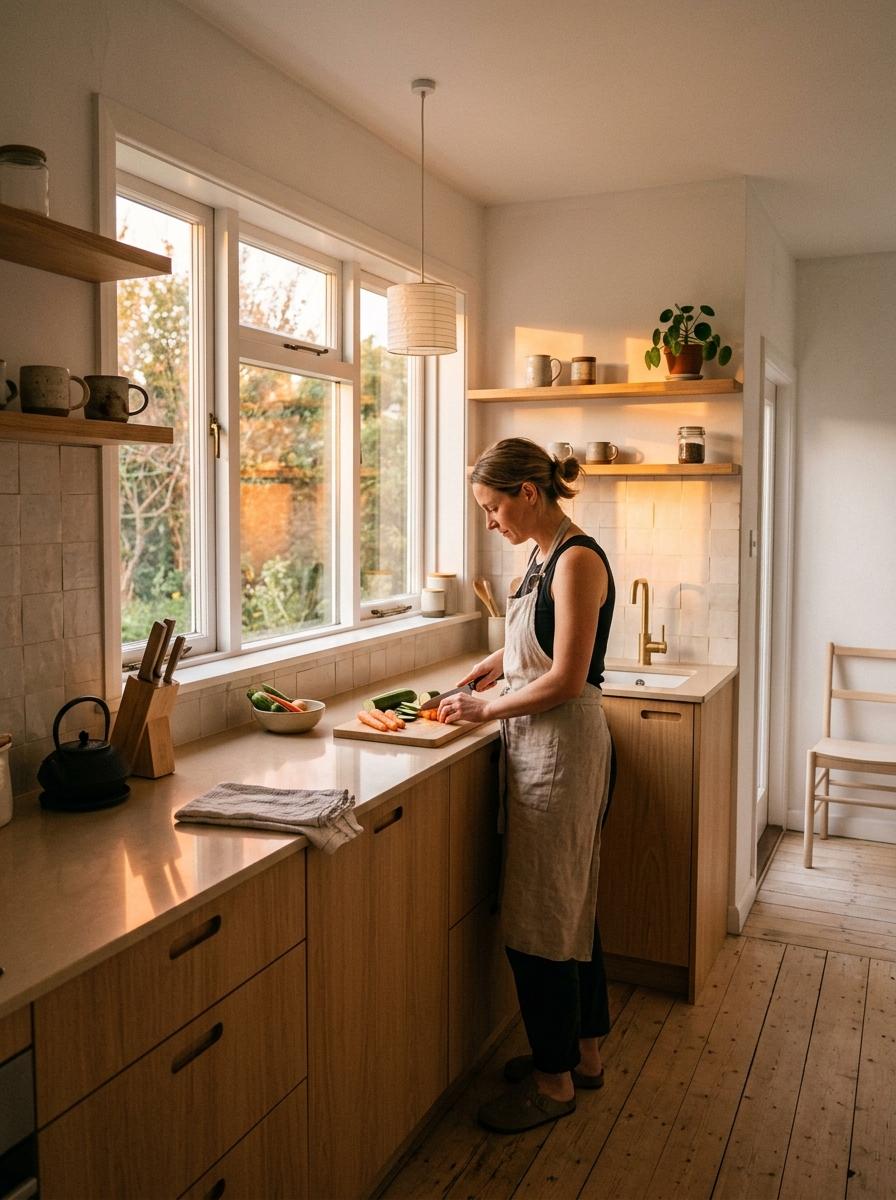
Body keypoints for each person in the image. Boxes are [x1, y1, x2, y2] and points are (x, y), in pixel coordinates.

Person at [436, 436, 616, 1134]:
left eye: (492, 507)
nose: (490, 522)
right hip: (544, 747)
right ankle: (584, 1056)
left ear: (528, 493)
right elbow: (534, 645)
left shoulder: (577, 560)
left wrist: (486, 706)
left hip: (563, 753)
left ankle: (553, 1081)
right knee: (571, 909)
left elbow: (568, 677)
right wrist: (492, 665)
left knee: (542, 921)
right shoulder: (542, 556)